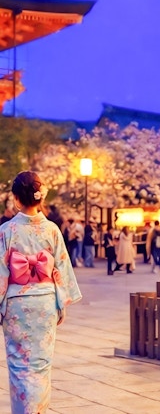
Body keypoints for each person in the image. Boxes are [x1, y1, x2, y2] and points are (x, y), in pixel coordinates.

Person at [0, 170, 81, 414]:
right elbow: (62, 268)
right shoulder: (53, 230)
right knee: (40, 365)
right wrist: (61, 302)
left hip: (16, 304)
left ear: (16, 199)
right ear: (40, 198)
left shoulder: (6, 230)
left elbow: (3, 271)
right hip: (45, 302)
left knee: (18, 365)